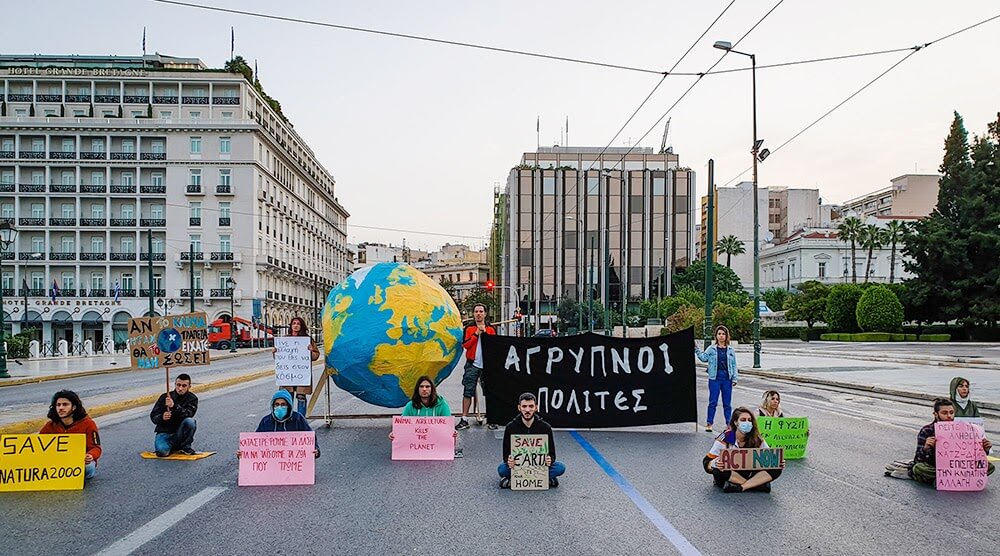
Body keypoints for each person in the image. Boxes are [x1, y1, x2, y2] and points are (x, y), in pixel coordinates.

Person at [910, 398, 993, 485]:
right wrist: (926, 447)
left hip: (958, 468)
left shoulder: (964, 430)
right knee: (918, 468)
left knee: (989, 466)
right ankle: (947, 479)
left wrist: (984, 448)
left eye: (951, 412)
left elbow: (974, 456)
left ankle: (949, 478)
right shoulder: (927, 431)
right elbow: (918, 459)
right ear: (936, 414)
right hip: (935, 467)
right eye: (944, 413)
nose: (949, 416)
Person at [703, 406, 783, 493]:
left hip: (750, 473)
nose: (747, 422)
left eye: (749, 420)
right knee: (717, 470)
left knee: (777, 468)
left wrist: (777, 462)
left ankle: (742, 487)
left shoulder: (757, 439)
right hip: (732, 474)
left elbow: (769, 457)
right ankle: (756, 485)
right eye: (743, 420)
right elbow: (707, 461)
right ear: (736, 422)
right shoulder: (725, 437)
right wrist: (716, 463)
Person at [498, 392, 566, 489]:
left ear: (536, 407)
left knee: (560, 467)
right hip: (518, 467)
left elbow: (552, 453)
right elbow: (506, 454)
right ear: (519, 408)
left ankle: (512, 480)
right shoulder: (511, 427)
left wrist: (549, 460)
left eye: (531, 406)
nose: (527, 410)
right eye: (524, 406)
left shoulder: (545, 427)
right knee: (502, 469)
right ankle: (547, 479)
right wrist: (509, 461)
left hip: (540, 467)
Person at [238, 390, 320, 458]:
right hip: (271, 468)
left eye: (283, 404)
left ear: (289, 406)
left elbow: (310, 438)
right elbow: (255, 444)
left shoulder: (298, 419)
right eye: (276, 404)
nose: (279, 407)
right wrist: (244, 454)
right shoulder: (265, 421)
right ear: (272, 406)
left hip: (293, 468)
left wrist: (315, 450)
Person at [39, 390, 101, 480]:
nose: (60, 408)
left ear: (74, 407)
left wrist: (90, 456)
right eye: (58, 405)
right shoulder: (50, 426)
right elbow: (38, 445)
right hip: (57, 462)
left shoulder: (88, 424)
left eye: (65, 404)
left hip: (79, 462)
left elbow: (96, 448)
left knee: (88, 468)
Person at [457, 303, 496, 431]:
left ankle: (492, 418)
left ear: (485, 314)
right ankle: (464, 418)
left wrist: (485, 335)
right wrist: (476, 334)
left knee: (490, 392)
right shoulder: (468, 329)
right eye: (476, 311)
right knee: (468, 391)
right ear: (473, 314)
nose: (478, 314)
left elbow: (494, 346)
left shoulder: (490, 329)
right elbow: (466, 345)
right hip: (472, 364)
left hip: (487, 365)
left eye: (481, 311)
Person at [273, 316, 321, 416]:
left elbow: (316, 356)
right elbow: (279, 358)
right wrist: (275, 352)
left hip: (301, 374)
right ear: (291, 325)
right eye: (294, 323)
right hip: (288, 374)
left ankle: (301, 419)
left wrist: (311, 351)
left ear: (301, 326)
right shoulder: (284, 340)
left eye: (298, 324)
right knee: (287, 397)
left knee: (301, 397)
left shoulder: (307, 340)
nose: (295, 325)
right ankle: (287, 418)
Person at [388, 376, 457, 445]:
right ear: (417, 389)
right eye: (421, 386)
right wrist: (395, 433)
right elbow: (402, 426)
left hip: (437, 448)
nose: (424, 389)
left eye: (427, 387)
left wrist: (452, 432)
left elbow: (448, 426)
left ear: (432, 389)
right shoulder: (410, 406)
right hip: (415, 447)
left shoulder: (442, 405)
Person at [695, 325, 738, 432]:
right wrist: (696, 349)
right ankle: (709, 423)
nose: (721, 336)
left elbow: (734, 365)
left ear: (726, 336)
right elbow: (703, 358)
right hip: (714, 378)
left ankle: (729, 424)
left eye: (723, 334)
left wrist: (734, 378)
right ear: (716, 336)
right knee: (713, 401)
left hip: (727, 378)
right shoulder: (711, 349)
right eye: (719, 334)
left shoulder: (730, 350)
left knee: (727, 403)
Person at [150, 373, 199, 456]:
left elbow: (189, 414)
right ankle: (173, 446)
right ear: (175, 384)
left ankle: (185, 446)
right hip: (165, 432)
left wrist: (174, 406)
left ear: (189, 386)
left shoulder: (192, 398)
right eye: (178, 385)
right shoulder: (165, 397)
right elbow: (153, 416)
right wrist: (162, 417)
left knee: (190, 422)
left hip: (179, 432)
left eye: (184, 386)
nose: (180, 388)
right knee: (162, 452)